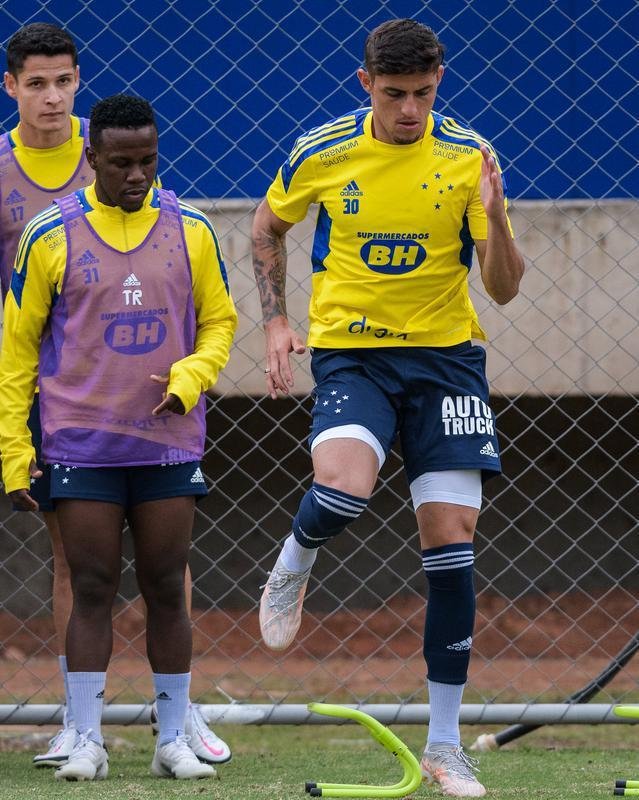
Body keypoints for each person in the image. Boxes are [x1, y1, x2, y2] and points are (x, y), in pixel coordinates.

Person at [252, 18, 524, 799]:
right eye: (397, 94)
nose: (411, 110)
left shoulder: (469, 156)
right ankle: (296, 557)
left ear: (440, 84)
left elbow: (503, 287)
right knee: (340, 488)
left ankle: (445, 747)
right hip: (354, 355)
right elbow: (267, 227)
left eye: (425, 95)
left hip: (446, 364)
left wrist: (497, 218)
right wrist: (275, 320)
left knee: (452, 545)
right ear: (365, 83)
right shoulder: (323, 150)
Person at [1, 23, 232, 770]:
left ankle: (174, 728)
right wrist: (14, 448)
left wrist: (192, 376)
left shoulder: (187, 227)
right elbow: (16, 342)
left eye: (149, 162)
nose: (137, 175)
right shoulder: (48, 228)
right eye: (35, 82)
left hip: (161, 430)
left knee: (167, 578)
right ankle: (83, 730)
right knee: (85, 575)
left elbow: (220, 319)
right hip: (71, 414)